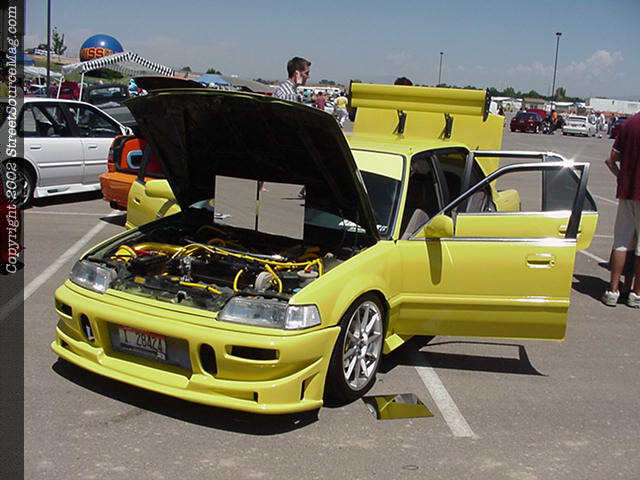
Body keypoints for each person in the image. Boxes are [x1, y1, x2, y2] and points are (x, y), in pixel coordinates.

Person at [602, 111, 640, 308]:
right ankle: (636, 293)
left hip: (627, 193)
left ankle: (613, 290)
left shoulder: (629, 124)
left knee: (621, 242)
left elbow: (611, 160)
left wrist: (621, 177)